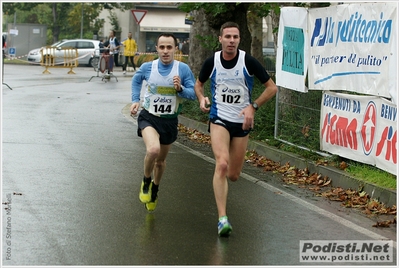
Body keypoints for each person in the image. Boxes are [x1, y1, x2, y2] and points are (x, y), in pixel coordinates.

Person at [194, 22, 278, 237]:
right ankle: (222, 219)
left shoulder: (248, 62)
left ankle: (224, 206)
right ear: (220, 39)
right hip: (219, 118)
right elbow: (199, 84)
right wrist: (202, 98)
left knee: (233, 175)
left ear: (239, 40)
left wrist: (253, 106)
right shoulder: (212, 61)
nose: (231, 40)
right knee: (221, 164)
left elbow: (272, 88)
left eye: (235, 37)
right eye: (228, 36)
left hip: (242, 124)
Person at [130, 33, 196, 212]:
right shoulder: (148, 67)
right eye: (162, 47)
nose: (165, 51)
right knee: (153, 149)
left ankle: (155, 188)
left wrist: (180, 88)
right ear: (157, 49)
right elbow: (136, 80)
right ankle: (145, 181)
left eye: (169, 47)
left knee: (160, 161)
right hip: (149, 117)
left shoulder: (182, 69)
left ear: (175, 49)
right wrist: (135, 100)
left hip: (169, 121)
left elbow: (193, 94)